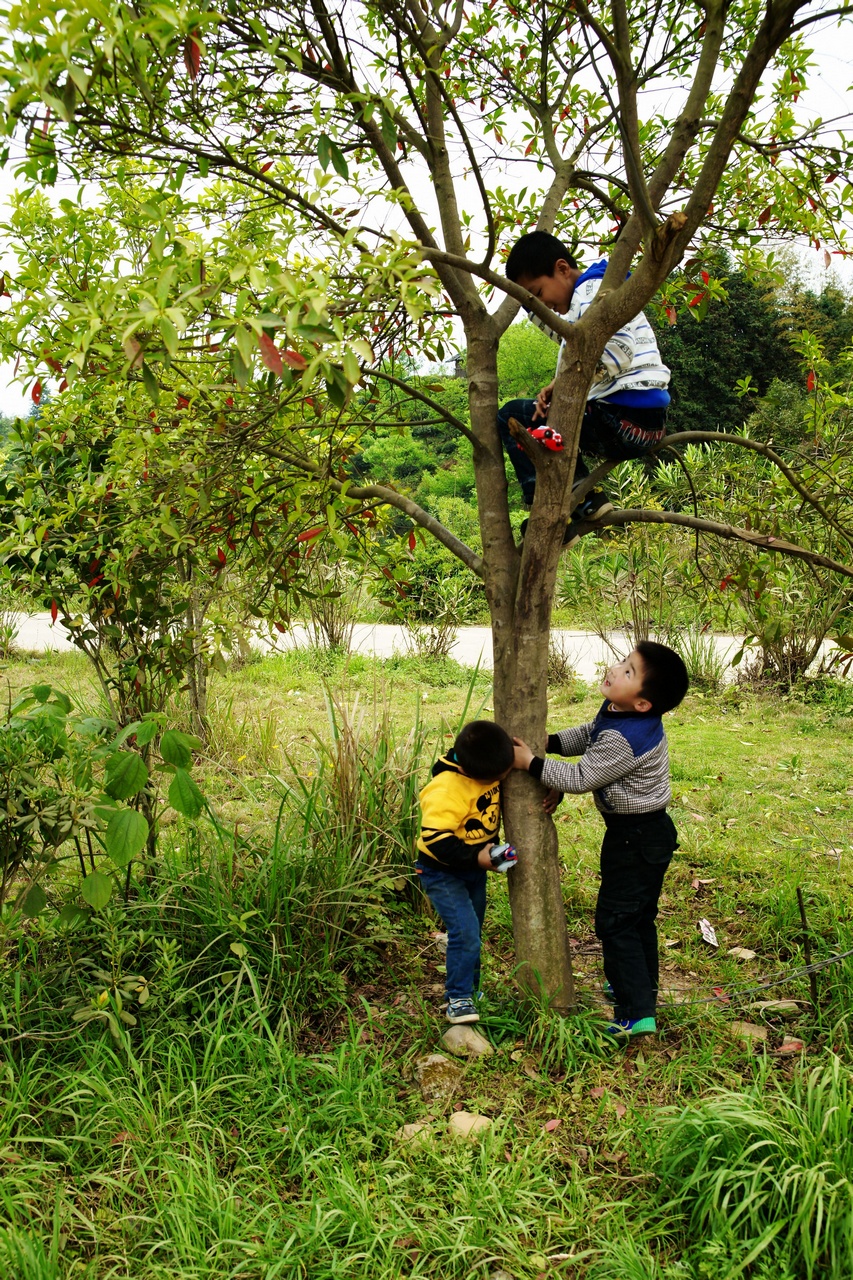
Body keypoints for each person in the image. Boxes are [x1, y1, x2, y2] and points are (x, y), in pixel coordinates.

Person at [511, 641, 689, 1039]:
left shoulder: (625, 739)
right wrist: (550, 743)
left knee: (617, 921)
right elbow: (588, 735)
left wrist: (532, 763)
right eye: (623, 661)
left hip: (637, 839)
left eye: (629, 672)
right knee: (638, 918)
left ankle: (635, 1014)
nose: (616, 668)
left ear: (643, 703)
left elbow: (580, 778)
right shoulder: (617, 713)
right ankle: (637, 987)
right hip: (643, 835)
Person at [498, 230, 671, 546]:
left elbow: (618, 351)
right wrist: (558, 383)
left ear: (563, 269)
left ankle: (549, 509)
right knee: (545, 417)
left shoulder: (591, 293)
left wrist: (566, 387)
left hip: (621, 419)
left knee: (512, 415)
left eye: (539, 292)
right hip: (642, 424)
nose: (544, 305)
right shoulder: (586, 299)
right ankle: (586, 499)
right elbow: (567, 336)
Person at [416, 720, 515, 1025]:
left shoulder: (491, 760)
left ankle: (471, 989)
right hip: (441, 872)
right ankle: (457, 998)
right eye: (500, 777)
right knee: (465, 933)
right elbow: (436, 840)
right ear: (473, 774)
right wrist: (477, 857)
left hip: (474, 869)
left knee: (473, 929)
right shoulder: (445, 789)